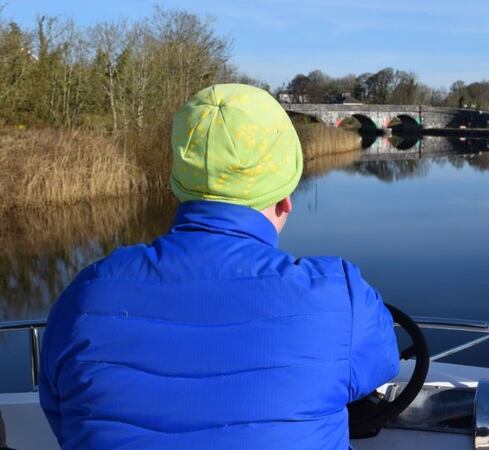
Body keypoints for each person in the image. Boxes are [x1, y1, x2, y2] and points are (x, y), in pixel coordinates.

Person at [38, 84, 399, 449]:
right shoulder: (339, 296)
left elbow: (59, 410)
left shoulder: (86, 296)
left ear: (179, 183)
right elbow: (381, 366)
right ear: (285, 200)